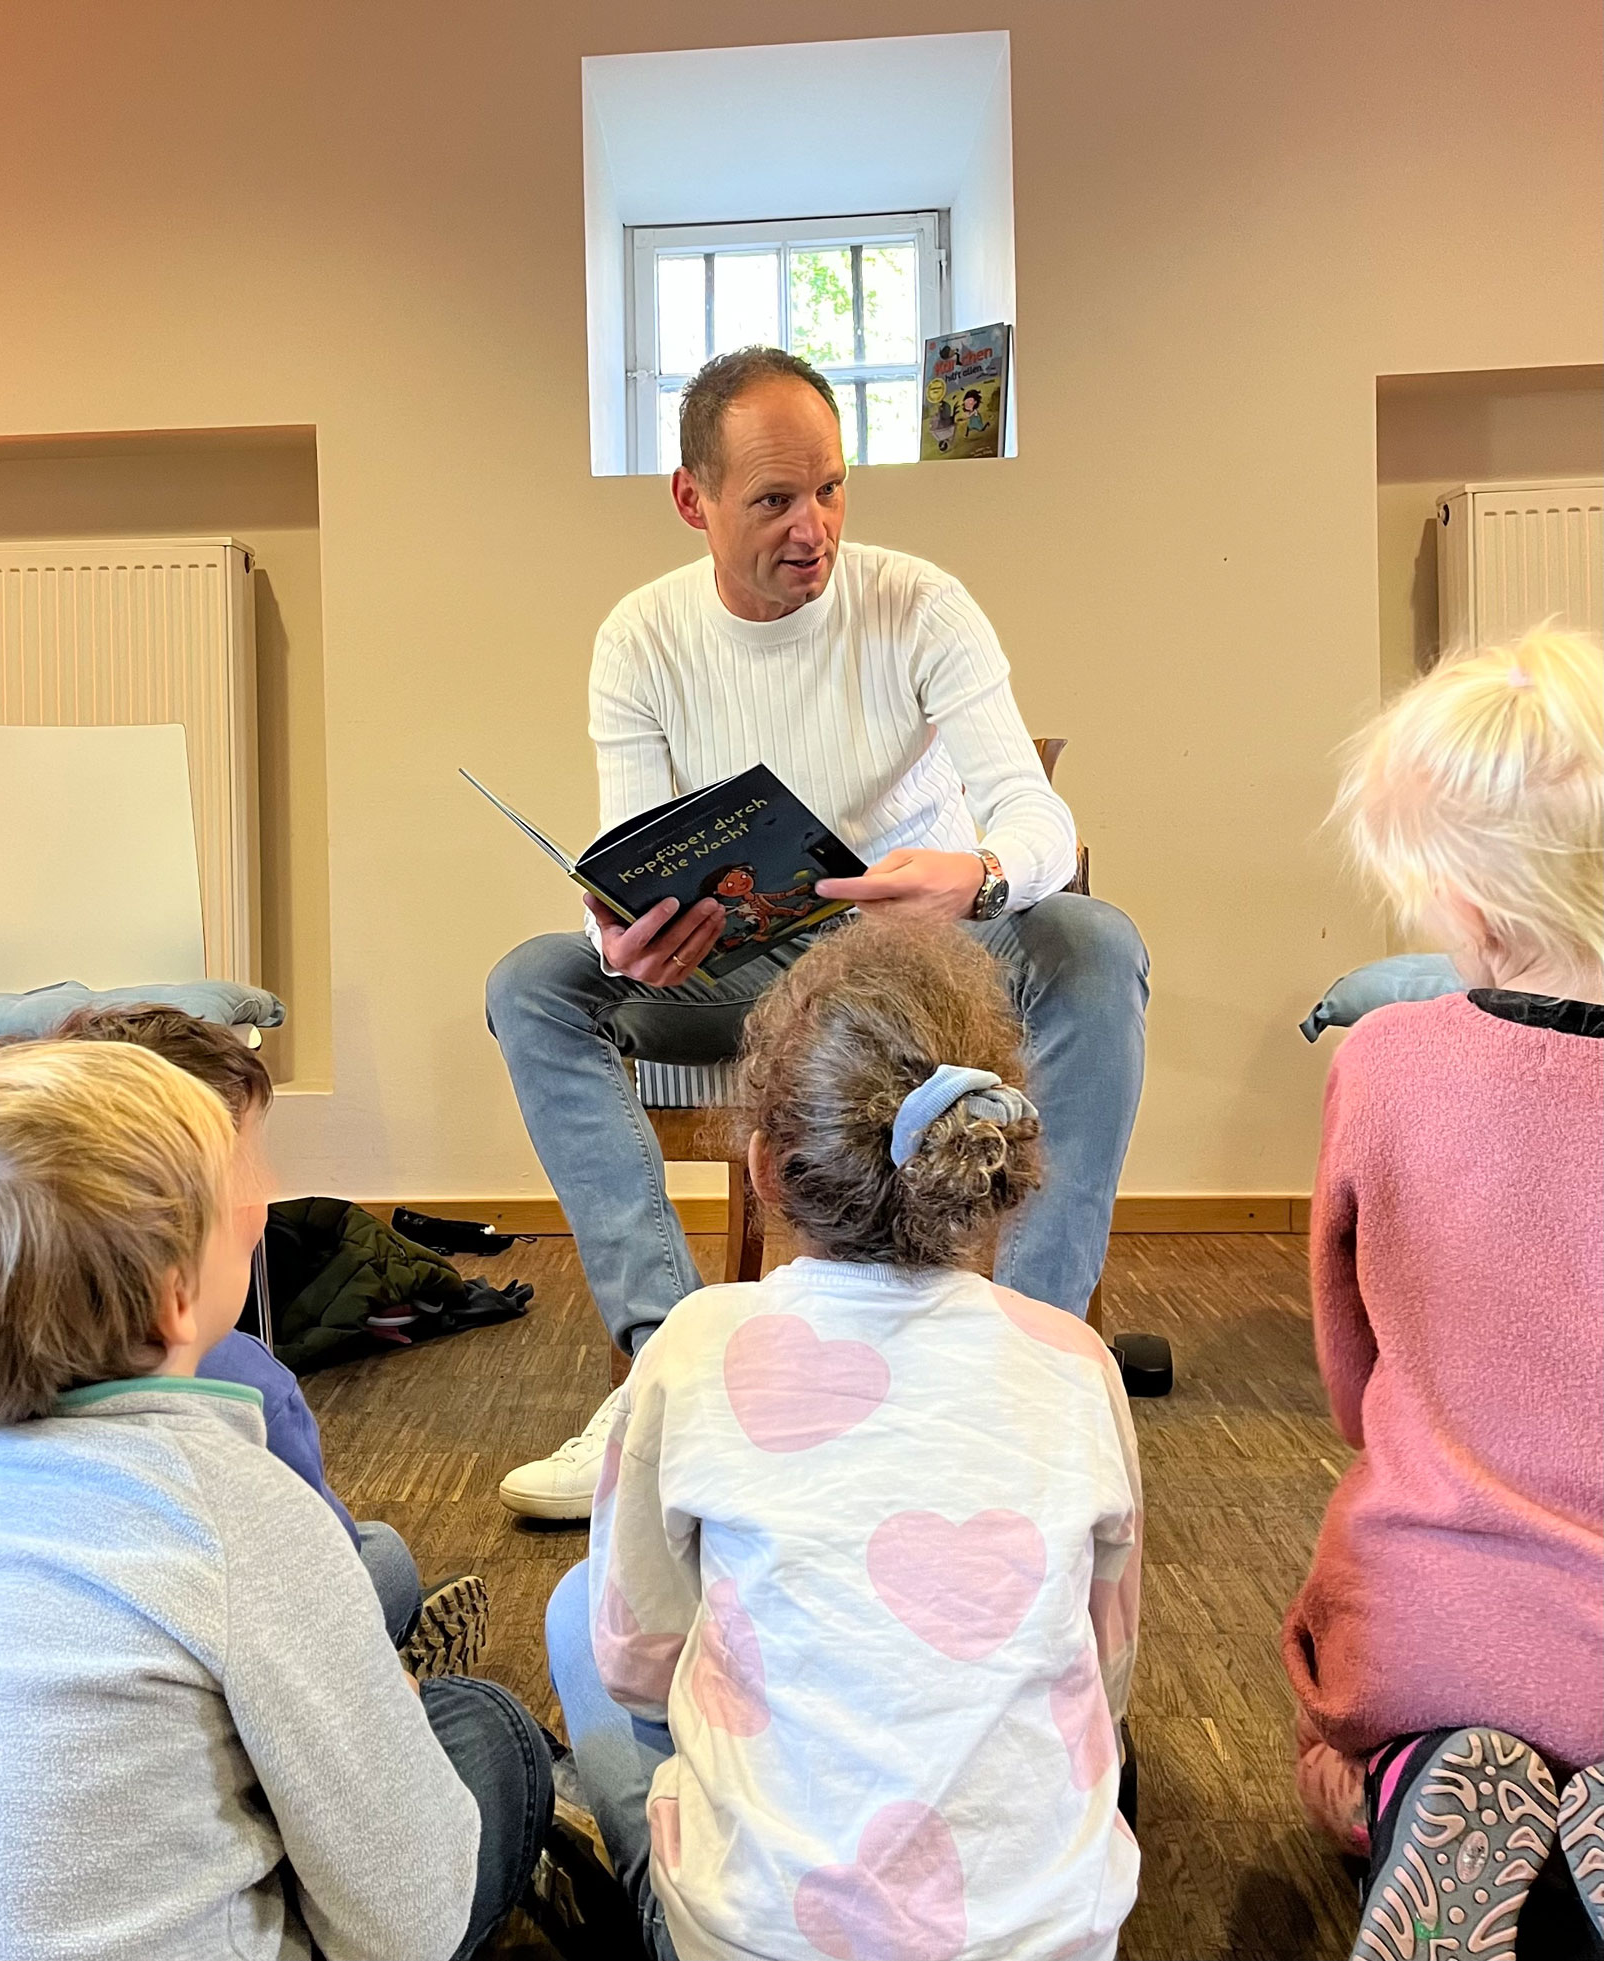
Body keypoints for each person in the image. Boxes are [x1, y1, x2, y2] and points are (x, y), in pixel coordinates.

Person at [489, 343, 1148, 1519]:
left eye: (833, 488)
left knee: (1095, 944)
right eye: (775, 500)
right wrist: (620, 939)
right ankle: (664, 1374)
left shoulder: (920, 604)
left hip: (930, 956)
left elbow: (1035, 812)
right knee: (536, 979)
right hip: (741, 968)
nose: (815, 529)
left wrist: (980, 876)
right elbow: (630, 851)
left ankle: (1025, 1373)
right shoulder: (641, 638)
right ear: (692, 498)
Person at [0, 1040, 552, 1961]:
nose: (264, 1197)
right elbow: (406, 1923)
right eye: (237, 1191)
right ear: (177, 1293)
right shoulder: (237, 1506)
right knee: (488, 1730)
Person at [545, 919, 1142, 1961]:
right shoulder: (1076, 1360)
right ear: (989, 1156)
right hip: (1055, 1936)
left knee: (575, 1609)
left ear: (765, 1167)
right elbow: (1108, 1661)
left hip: (758, 1936)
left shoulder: (694, 1343)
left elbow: (640, 1663)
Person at [1281, 630, 1604, 1957]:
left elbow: (1350, 1370)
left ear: (1464, 898)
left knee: (1345, 1740)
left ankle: (1417, 1777)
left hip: (1430, 1618)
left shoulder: (1386, 1058)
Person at [0, 1003, 490, 1678]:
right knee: (388, 1566)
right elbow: (318, 1604)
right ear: (175, 1281)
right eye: (244, 1166)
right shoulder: (243, 1390)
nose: (270, 1189)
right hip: (210, 1684)